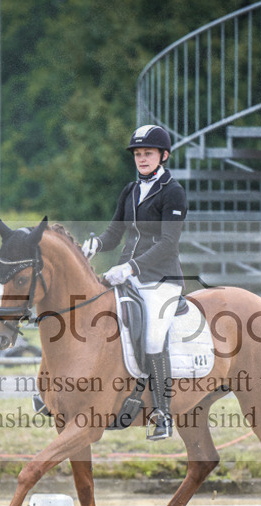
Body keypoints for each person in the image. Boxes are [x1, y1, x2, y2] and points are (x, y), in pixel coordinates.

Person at [82, 124, 187, 440]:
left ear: (163, 155)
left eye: (148, 153)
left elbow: (168, 242)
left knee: (153, 338)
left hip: (160, 280)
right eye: (138, 154)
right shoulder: (129, 190)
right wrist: (95, 246)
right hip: (125, 277)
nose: (142, 159)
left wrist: (131, 268)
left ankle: (163, 413)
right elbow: (114, 234)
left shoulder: (173, 191)